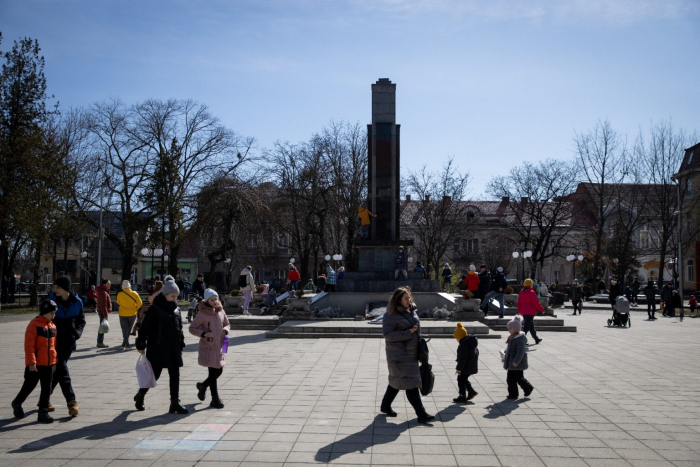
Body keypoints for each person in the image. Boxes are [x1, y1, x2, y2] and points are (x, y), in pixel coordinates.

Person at [380, 287, 435, 423]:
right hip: (399, 355)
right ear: (398, 300)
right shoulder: (391, 315)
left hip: (411, 354)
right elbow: (388, 335)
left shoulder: (411, 311)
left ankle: (385, 405)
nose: (408, 300)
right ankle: (421, 414)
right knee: (411, 383)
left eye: (409, 297)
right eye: (405, 298)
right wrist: (408, 332)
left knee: (397, 380)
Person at [134, 280, 187, 414]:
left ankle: (174, 403)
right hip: (157, 347)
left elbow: (179, 329)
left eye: (176, 296)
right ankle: (140, 395)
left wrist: (181, 346)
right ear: (165, 295)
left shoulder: (177, 309)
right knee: (154, 375)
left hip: (173, 347)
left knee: (175, 375)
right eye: (172, 296)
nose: (175, 298)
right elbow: (144, 328)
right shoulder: (155, 309)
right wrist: (141, 344)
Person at [12, 299, 58, 423]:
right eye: (51, 313)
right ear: (44, 312)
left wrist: (54, 361)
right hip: (36, 364)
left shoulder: (53, 326)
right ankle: (17, 402)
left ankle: (43, 412)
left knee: (46, 388)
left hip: (48, 364)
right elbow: (29, 346)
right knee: (29, 386)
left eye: (54, 313)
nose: (53, 316)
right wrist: (31, 362)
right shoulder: (34, 325)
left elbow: (53, 347)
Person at [49, 275, 85, 418]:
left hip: (69, 342)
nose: (55, 289)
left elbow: (81, 321)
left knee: (58, 373)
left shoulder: (77, 302)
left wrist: (76, 333)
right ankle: (71, 402)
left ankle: (44, 399)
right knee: (63, 372)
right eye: (55, 287)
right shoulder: (51, 302)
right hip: (54, 343)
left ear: (65, 288)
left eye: (58, 287)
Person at [189, 289, 230, 409]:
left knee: (219, 371)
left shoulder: (221, 310)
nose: (215, 301)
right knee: (213, 372)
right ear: (207, 300)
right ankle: (215, 399)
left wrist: (226, 330)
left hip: (220, 345)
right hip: (208, 346)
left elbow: (227, 323)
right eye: (212, 300)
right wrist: (203, 334)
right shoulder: (202, 313)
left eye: (216, 299)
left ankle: (203, 386)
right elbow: (192, 328)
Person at [503, 315, 534, 400]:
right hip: (511, 363)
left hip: (517, 363)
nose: (509, 330)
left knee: (519, 378)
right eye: (508, 328)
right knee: (510, 379)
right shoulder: (512, 337)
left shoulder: (519, 339)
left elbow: (520, 352)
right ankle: (513, 394)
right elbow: (510, 348)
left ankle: (528, 387)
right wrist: (505, 352)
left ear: (516, 328)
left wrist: (516, 361)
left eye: (510, 328)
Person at [453, 322, 479, 403]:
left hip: (465, 367)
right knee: (463, 379)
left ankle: (462, 396)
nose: (457, 340)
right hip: (471, 366)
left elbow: (462, 359)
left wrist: (459, 369)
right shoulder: (470, 343)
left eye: (457, 339)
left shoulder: (463, 346)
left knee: (460, 380)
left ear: (460, 337)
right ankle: (471, 391)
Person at [116, 280, 142, 351]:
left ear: (122, 287)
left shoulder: (120, 294)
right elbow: (140, 303)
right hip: (132, 313)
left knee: (124, 329)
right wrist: (135, 308)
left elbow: (118, 302)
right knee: (129, 329)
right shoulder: (134, 293)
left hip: (122, 313)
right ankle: (126, 343)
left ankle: (125, 343)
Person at [518, 279, 544, 345]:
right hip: (530, 311)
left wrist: (519, 310)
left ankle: (536, 338)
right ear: (530, 284)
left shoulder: (521, 291)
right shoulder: (532, 292)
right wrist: (542, 309)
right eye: (531, 283)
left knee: (531, 326)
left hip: (524, 311)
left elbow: (519, 302)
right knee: (526, 327)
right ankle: (521, 340)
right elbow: (536, 303)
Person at [96, 279, 111, 349]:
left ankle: (100, 342)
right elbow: (103, 304)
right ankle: (100, 342)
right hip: (102, 311)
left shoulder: (103, 291)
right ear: (104, 284)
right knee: (102, 327)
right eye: (108, 284)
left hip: (101, 311)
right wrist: (105, 314)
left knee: (102, 326)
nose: (109, 285)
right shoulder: (103, 292)